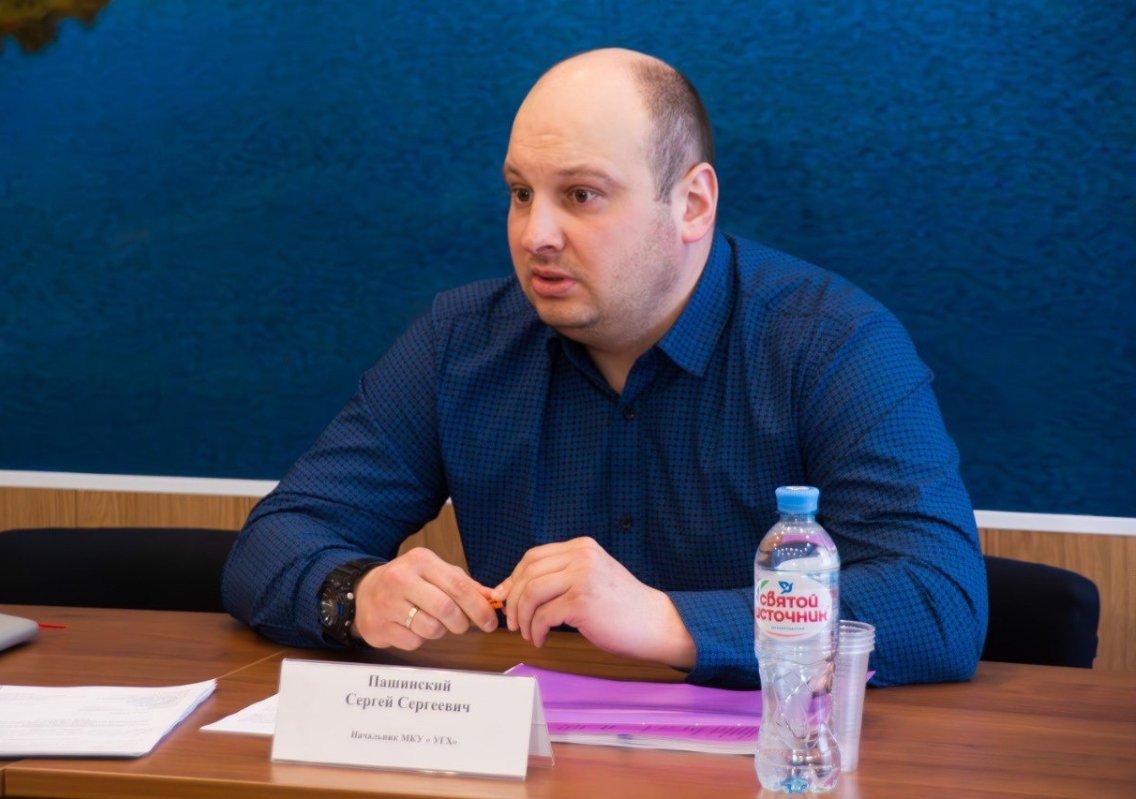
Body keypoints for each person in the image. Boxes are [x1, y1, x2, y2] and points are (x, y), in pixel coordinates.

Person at [222, 47, 987, 688]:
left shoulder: (833, 344)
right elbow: (276, 539)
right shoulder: (458, 344)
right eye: (521, 193)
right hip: (529, 763)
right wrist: (357, 593)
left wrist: (666, 619)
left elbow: (937, 601)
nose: (536, 234)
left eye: (581, 195)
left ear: (692, 204)